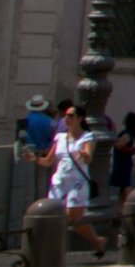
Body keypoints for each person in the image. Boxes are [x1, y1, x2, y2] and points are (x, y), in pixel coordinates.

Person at [33, 106, 110, 258]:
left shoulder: (88, 137)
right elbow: (48, 161)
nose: (66, 118)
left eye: (70, 115)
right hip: (59, 181)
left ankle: (96, 240)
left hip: (78, 181)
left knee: (73, 217)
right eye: (65, 115)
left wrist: (83, 155)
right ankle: (52, 250)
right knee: (52, 214)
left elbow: (88, 158)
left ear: (80, 118)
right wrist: (34, 159)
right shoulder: (60, 137)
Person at [110, 113, 135, 211]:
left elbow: (118, 145)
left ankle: (134, 207)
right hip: (123, 161)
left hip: (122, 163)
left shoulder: (127, 134)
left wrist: (112, 135)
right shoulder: (130, 133)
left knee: (126, 186)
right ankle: (120, 210)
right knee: (122, 188)